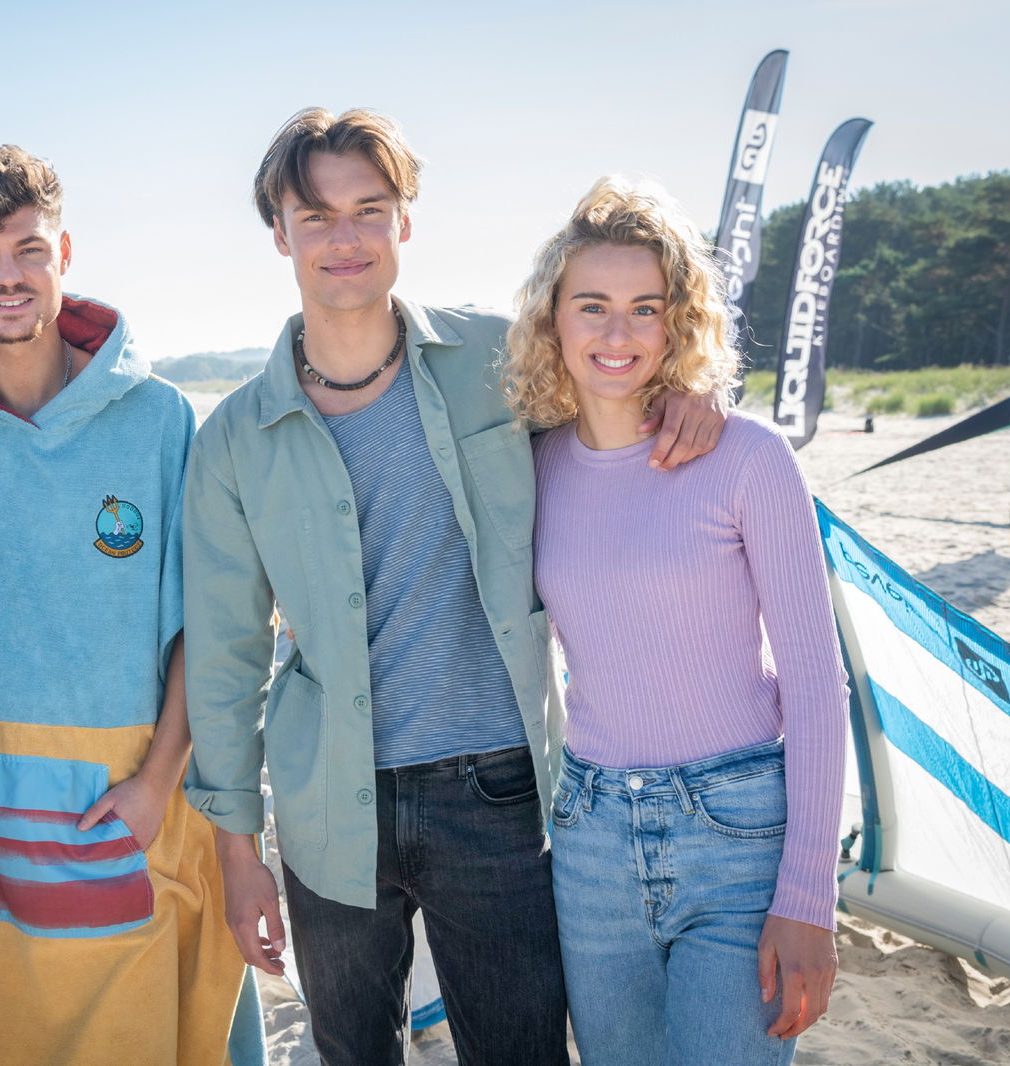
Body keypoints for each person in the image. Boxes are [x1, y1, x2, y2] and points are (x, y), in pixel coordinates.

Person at [182, 107, 725, 1066]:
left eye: (369, 210)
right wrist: (238, 850)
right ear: (279, 233)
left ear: (406, 220)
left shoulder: (498, 360)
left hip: (499, 785)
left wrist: (688, 393)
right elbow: (224, 654)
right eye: (316, 217)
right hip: (323, 802)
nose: (344, 239)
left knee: (519, 1052)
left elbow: (619, 368)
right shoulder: (232, 436)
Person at [0, 144, 261, 1066]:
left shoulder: (159, 417)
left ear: (65, 252)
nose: (7, 277)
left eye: (27, 249)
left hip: (132, 797)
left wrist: (157, 784)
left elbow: (211, 623)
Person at [503, 176, 848, 1065]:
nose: (618, 335)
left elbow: (816, 681)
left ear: (677, 322)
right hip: (590, 839)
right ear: (552, 322)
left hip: (736, 832)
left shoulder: (747, 458)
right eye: (592, 307)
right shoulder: (530, 468)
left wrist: (810, 895)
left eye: (644, 309)